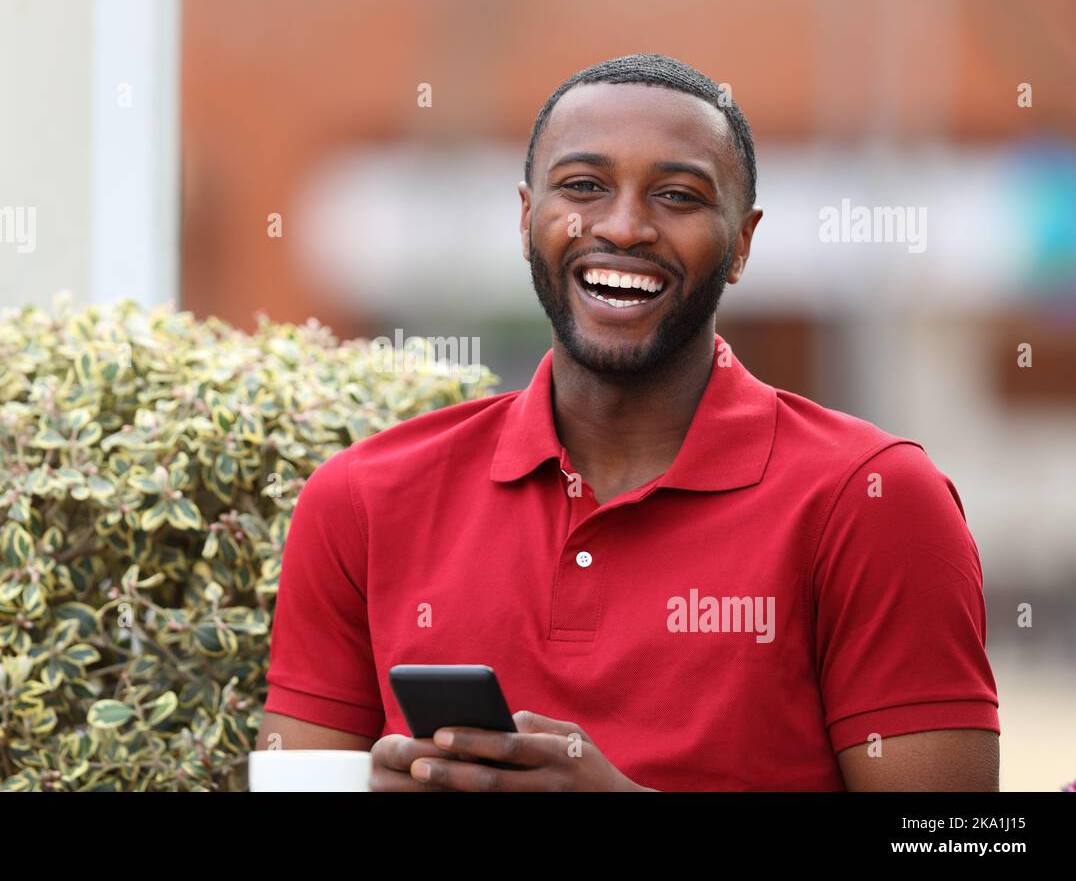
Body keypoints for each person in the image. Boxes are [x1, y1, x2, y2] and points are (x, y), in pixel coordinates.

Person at [255, 53, 1000, 791]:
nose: (625, 226)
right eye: (584, 186)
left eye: (678, 195)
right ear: (526, 219)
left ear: (741, 243)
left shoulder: (873, 500)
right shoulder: (361, 497)